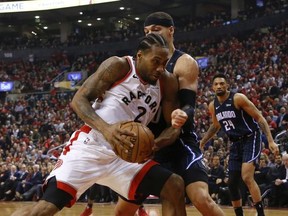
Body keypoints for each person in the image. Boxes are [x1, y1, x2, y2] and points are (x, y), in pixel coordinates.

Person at [11, 33, 188, 216]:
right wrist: (107, 130)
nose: (160, 68)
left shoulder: (167, 82)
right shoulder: (119, 66)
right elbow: (79, 100)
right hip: (91, 147)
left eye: (164, 62)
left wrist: (154, 145)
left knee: (173, 185)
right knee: (44, 209)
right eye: (156, 61)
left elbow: (173, 127)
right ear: (140, 56)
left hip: (125, 156)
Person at [106, 11, 225, 216]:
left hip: (180, 140)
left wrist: (182, 113)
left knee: (202, 199)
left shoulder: (184, 62)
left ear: (171, 31)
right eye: (146, 31)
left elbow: (189, 104)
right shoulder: (139, 63)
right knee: (123, 210)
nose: (150, 33)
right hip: (149, 142)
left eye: (156, 29)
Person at [199, 73, 279, 216]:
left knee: (247, 177)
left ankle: (261, 214)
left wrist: (271, 140)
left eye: (222, 83)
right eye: (216, 84)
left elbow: (259, 118)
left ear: (227, 85)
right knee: (232, 183)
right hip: (235, 143)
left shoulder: (238, 98)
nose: (219, 86)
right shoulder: (213, 106)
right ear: (212, 87)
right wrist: (204, 140)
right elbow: (216, 126)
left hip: (250, 138)